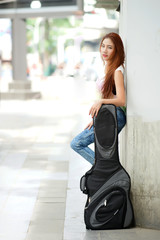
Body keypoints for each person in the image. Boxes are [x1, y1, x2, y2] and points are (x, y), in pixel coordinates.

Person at [70, 32, 126, 165]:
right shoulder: (107, 68)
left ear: (116, 50)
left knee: (77, 143)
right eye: (103, 46)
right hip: (107, 114)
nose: (105, 50)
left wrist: (100, 101)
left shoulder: (117, 71)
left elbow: (122, 100)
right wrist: (96, 119)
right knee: (100, 151)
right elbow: (108, 95)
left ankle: (105, 170)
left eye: (110, 47)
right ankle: (105, 171)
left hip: (116, 115)